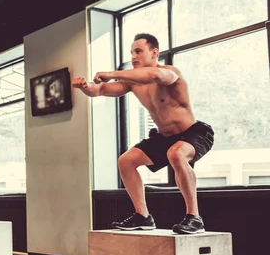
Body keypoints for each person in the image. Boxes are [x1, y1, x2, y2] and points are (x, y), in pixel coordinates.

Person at [72, 33, 214, 234]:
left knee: (176, 154)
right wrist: (85, 87)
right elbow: (101, 90)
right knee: (126, 161)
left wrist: (114, 73)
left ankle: (194, 217)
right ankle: (143, 216)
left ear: (154, 52)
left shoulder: (170, 73)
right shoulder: (134, 83)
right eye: (131, 52)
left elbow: (154, 75)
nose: (133, 56)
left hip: (193, 133)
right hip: (164, 137)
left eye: (138, 51)